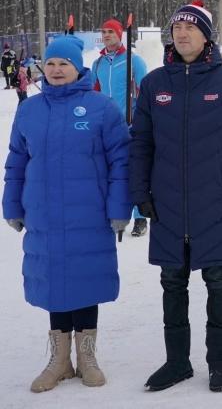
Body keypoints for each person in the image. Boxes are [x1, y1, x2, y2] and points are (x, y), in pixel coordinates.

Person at [129, 0, 222, 392]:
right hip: (168, 203)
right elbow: (140, 144)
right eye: (176, 29)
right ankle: (177, 362)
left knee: (218, 281)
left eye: (191, 28)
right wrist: (141, 193)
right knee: (172, 282)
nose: (182, 34)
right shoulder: (155, 84)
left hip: (218, 202)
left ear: (207, 35)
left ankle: (218, 362)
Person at [3, 35, 131, 392]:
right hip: (44, 213)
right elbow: (16, 161)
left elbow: (121, 162)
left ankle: (87, 357)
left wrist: (121, 208)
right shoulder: (30, 109)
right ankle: (59, 360)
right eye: (52, 63)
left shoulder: (101, 108)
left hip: (89, 213)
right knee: (54, 282)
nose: (57, 70)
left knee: (85, 278)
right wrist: (12, 204)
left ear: (79, 69)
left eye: (65, 64)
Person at [92, 18, 149, 237]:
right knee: (107, 171)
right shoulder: (97, 64)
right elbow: (93, 94)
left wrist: (140, 119)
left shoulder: (133, 61)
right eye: (104, 32)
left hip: (130, 124)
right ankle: (115, 213)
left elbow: (145, 94)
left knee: (131, 171)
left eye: (111, 32)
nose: (107, 35)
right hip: (105, 126)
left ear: (120, 34)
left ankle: (140, 217)